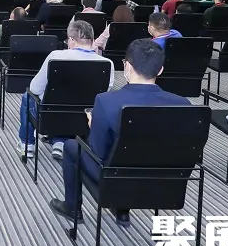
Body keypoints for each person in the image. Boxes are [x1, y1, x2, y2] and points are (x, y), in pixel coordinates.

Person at [49, 39, 189, 227]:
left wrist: (94, 125)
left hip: (115, 180)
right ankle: (121, 210)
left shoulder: (106, 101)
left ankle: (72, 208)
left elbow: (98, 152)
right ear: (160, 70)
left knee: (72, 146)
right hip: (165, 185)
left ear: (127, 66)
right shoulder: (183, 104)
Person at [18, 21, 114, 160]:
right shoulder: (107, 64)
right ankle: (60, 141)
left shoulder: (56, 56)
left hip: (50, 116)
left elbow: (35, 88)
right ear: (92, 40)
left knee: (28, 96)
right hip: (84, 119)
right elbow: (103, 94)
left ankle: (27, 144)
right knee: (73, 101)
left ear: (71, 40)